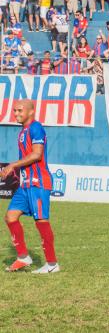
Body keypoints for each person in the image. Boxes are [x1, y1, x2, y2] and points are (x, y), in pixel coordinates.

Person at [2, 100, 59, 273]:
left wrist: (13, 165)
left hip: (38, 183)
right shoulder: (22, 131)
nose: (16, 113)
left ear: (31, 111)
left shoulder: (36, 128)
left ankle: (52, 264)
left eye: (20, 110)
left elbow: (37, 154)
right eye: (14, 111)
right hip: (25, 184)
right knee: (10, 217)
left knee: (41, 221)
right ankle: (23, 257)